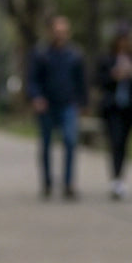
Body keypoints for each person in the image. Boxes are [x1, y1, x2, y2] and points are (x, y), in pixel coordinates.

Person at [26, 15, 87, 199]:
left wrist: (83, 103)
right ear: (50, 32)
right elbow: (32, 80)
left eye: (64, 31)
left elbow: (81, 82)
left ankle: (68, 183)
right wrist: (36, 97)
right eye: (57, 31)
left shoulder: (75, 55)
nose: (60, 35)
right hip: (47, 105)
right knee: (46, 144)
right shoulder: (40, 54)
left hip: (68, 104)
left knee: (70, 141)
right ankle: (47, 183)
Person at [96, 26, 132, 199]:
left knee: (124, 144)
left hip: (129, 108)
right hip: (112, 108)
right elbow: (99, 81)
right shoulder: (107, 59)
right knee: (115, 142)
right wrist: (114, 76)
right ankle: (115, 178)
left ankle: (120, 179)